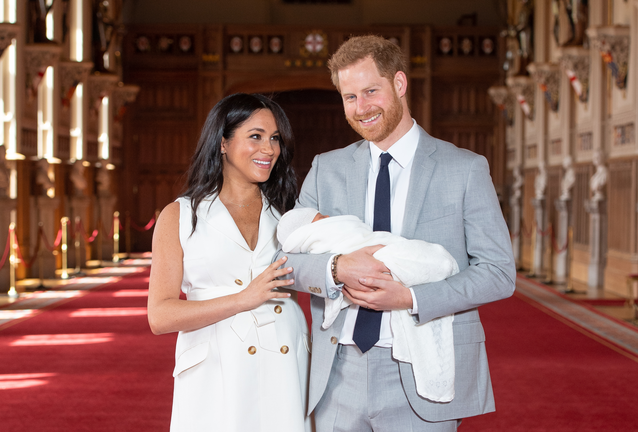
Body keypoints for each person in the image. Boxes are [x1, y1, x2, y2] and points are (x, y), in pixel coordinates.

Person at [275, 35, 516, 431]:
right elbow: (286, 262)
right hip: (339, 372)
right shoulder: (326, 169)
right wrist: (337, 268)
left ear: (399, 84)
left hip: (422, 370)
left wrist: (410, 297)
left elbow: (498, 272)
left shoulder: (464, 168)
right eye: (349, 97)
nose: (361, 107)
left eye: (371, 91)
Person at [147, 93, 312, 432]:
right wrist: (242, 300)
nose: (269, 149)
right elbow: (160, 316)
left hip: (284, 360)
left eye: (275, 139)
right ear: (223, 142)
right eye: (256, 136)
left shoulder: (289, 213)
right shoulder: (180, 215)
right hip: (215, 368)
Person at [277, 207, 460, 403]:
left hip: (403, 355)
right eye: (321, 218)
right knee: (410, 261)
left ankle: (437, 263)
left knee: (416, 258)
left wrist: (410, 298)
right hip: (339, 361)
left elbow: (495, 268)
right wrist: (337, 268)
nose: (329, 218)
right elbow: (282, 263)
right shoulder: (319, 182)